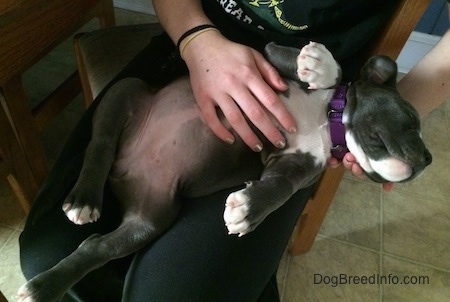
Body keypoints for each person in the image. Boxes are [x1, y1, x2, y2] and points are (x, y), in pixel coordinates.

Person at [19, 1, 450, 301]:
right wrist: (196, 41)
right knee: (44, 254)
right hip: (191, 47)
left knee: (180, 293)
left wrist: (391, 110)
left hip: (296, 110)